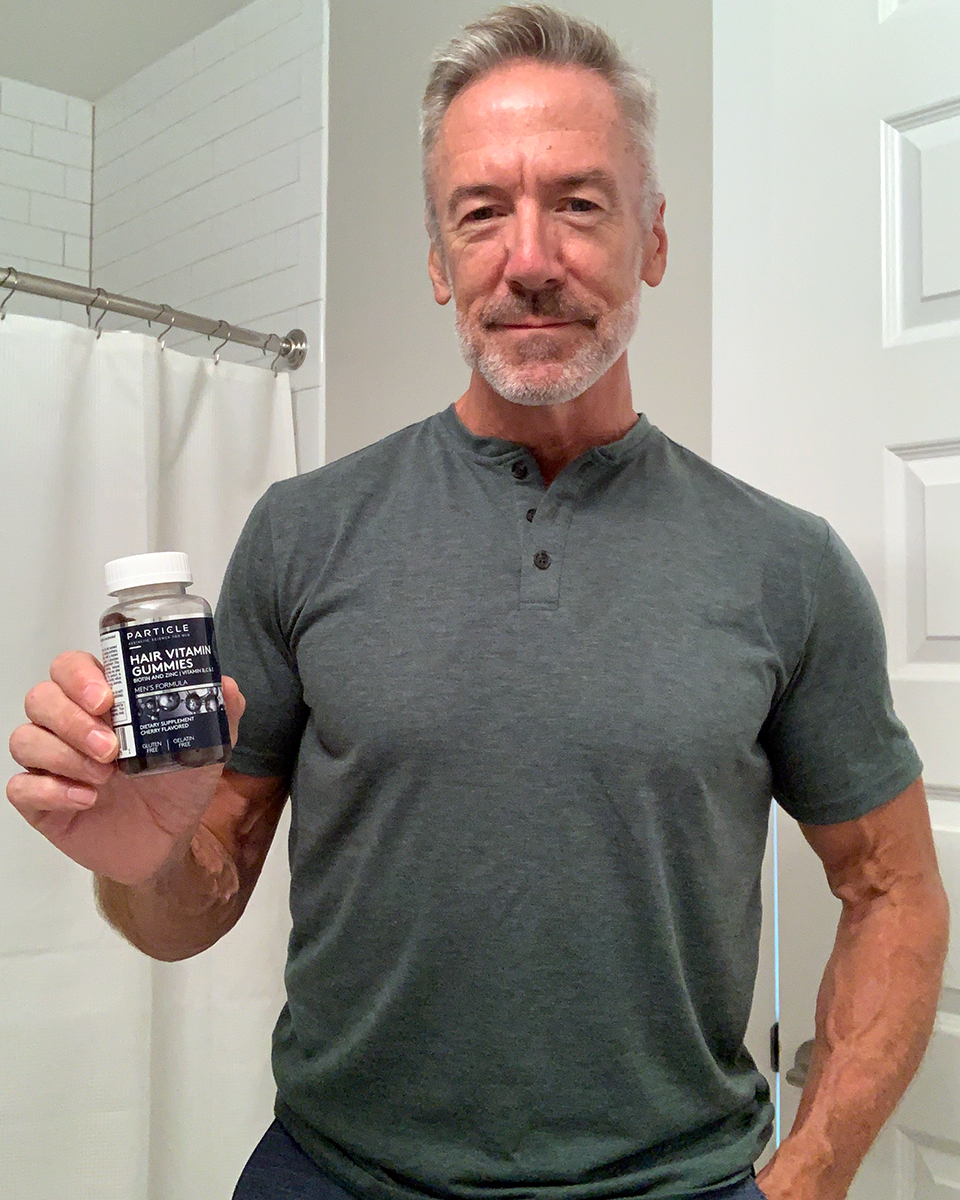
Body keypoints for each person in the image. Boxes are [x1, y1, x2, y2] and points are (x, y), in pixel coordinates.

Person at [6, 6, 949, 1200]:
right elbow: (192, 899)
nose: (532, 256)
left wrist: (812, 1173)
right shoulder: (301, 533)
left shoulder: (786, 564)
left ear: (654, 237)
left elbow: (894, 888)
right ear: (440, 259)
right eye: (483, 211)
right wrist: (141, 866)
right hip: (331, 1176)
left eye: (582, 202)